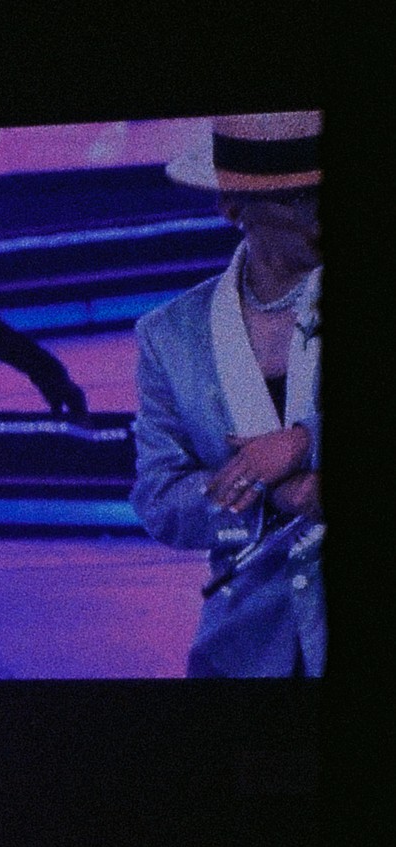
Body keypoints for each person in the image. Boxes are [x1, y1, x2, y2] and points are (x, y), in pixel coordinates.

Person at [133, 112, 323, 677]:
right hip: (244, 653)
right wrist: (273, 495)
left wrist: (303, 441)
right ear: (233, 206)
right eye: (295, 198)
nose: (319, 211)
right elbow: (160, 498)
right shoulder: (171, 335)